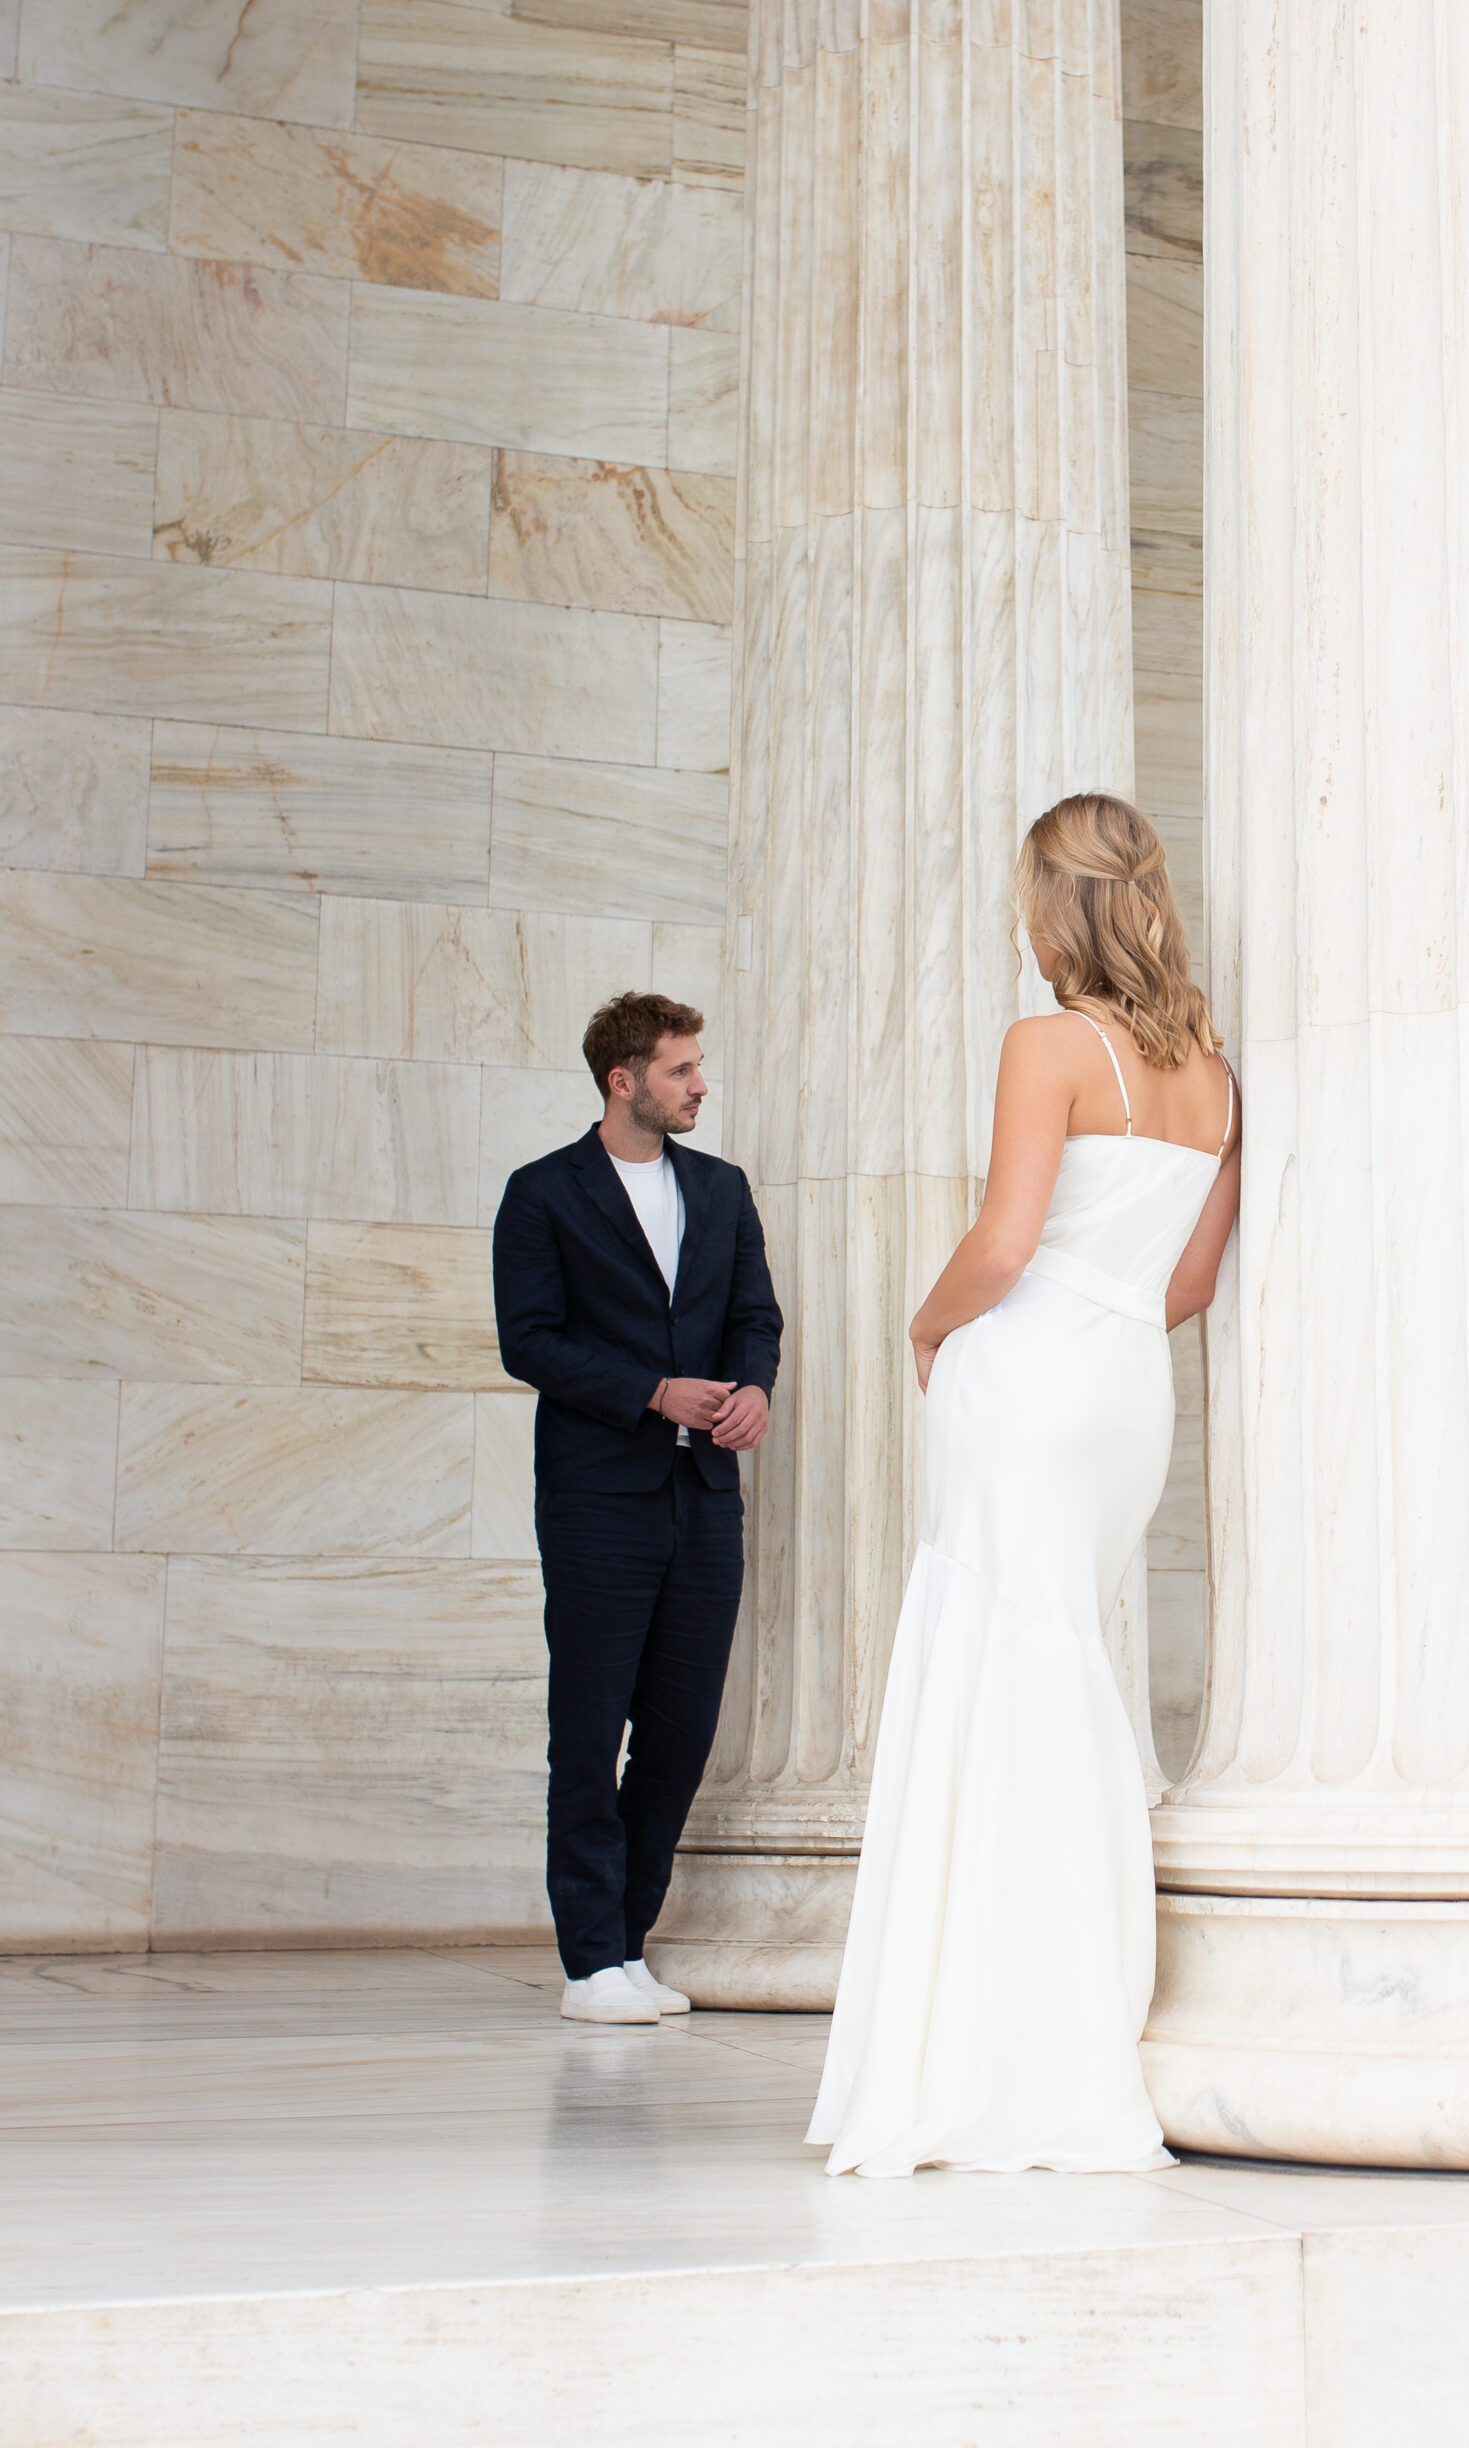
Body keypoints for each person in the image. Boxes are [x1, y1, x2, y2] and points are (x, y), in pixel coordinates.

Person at [806, 794, 1240, 2173]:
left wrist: (928, 1327)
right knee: (1065, 1671)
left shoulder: (1049, 1043)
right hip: (1121, 1392)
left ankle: (985, 2052)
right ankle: (1069, 2029)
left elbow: (999, 1244)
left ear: (1048, 906)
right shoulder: (1215, 1077)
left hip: (1024, 1373)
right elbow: (1186, 1284)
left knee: (995, 1673)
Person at [493, 991, 783, 2026]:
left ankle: (628, 1943)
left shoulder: (721, 1186)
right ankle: (588, 1962)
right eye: (680, 1069)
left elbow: (755, 1314)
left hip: (703, 1498)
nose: (700, 1083)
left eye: (697, 1066)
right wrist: (650, 1390)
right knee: (588, 1727)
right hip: (597, 1500)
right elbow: (528, 1339)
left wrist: (751, 1387)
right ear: (624, 1080)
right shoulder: (544, 1194)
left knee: (678, 1732)